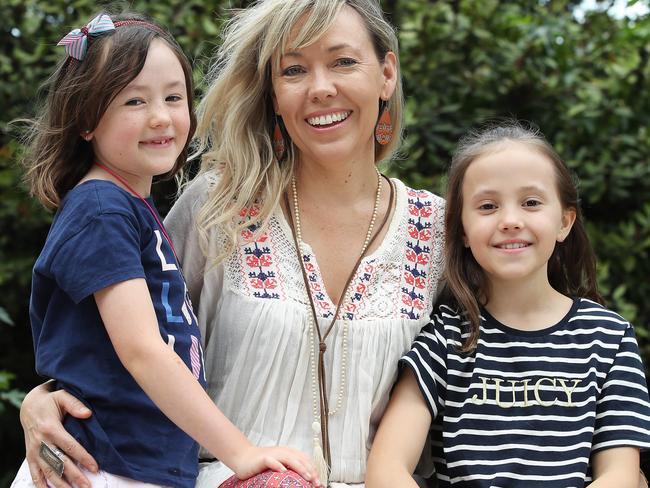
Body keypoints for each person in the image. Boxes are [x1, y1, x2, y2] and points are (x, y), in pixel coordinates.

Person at [18, 1, 446, 487]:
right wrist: (46, 397)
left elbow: (514, 356)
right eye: (294, 70)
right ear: (273, 94)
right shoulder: (217, 207)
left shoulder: (441, 232)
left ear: (387, 73)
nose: (321, 88)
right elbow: (125, 334)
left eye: (344, 61)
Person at [11, 11, 320, 488]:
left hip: (137, 464)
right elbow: (141, 350)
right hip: (99, 468)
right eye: (133, 100)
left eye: (174, 97)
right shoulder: (102, 208)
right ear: (86, 120)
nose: (160, 116)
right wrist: (241, 453)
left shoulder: (130, 205)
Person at [365, 121, 650, 487]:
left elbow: (620, 475)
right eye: (488, 206)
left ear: (564, 221)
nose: (511, 221)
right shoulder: (445, 339)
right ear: (463, 231)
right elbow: (386, 469)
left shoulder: (609, 338)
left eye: (531, 203)